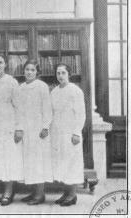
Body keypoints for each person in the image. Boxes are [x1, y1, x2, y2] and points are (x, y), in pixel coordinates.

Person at [0, 54, 23, 206]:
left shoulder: (12, 82)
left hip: (9, 124)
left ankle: (9, 191)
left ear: (5, 65)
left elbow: (19, 106)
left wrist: (19, 128)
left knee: (9, 159)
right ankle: (5, 190)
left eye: (0, 62)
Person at [16, 59, 53, 205]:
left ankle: (40, 194)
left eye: (32, 70)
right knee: (29, 161)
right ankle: (33, 192)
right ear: (23, 71)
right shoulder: (21, 87)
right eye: (27, 70)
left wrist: (45, 127)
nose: (29, 72)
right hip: (26, 129)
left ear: (37, 72)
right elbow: (18, 109)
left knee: (39, 162)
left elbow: (47, 108)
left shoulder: (42, 86)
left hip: (38, 129)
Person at [50, 63, 86, 206]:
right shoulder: (54, 91)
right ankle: (66, 193)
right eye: (58, 73)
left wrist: (77, 132)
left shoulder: (75, 91)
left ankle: (72, 194)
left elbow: (81, 113)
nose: (60, 76)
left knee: (72, 163)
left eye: (63, 73)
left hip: (71, 132)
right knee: (62, 163)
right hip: (58, 132)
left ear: (68, 74)